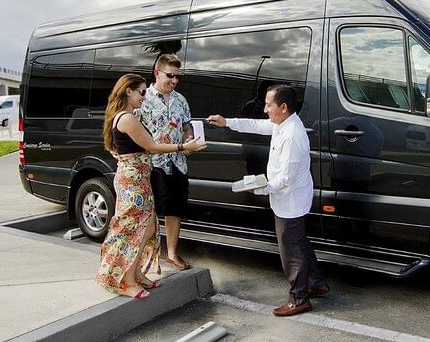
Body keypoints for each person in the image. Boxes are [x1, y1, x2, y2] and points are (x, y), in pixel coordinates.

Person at [207, 84, 328, 316]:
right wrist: (227, 122)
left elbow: (286, 178)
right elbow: (257, 125)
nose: (265, 110)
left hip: (290, 201)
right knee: (299, 243)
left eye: (268, 105)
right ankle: (317, 283)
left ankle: (299, 299)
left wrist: (259, 188)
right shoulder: (283, 124)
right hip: (288, 198)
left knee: (291, 253)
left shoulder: (292, 135)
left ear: (283, 107)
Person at [96, 73, 206, 298]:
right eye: (141, 92)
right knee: (135, 229)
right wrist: (183, 147)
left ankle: (135, 273)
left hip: (139, 179)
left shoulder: (127, 116)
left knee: (147, 228)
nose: (144, 97)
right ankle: (127, 281)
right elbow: (152, 146)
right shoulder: (126, 118)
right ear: (128, 91)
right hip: (133, 182)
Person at [138, 54, 195, 271]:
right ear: (157, 73)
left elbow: (187, 126)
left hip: (178, 163)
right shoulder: (143, 98)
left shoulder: (181, 100)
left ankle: (171, 254)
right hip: (152, 164)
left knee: (175, 210)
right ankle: (145, 257)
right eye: (170, 76)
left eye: (177, 77)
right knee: (149, 212)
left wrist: (189, 140)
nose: (174, 80)